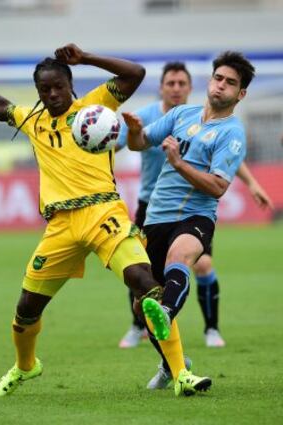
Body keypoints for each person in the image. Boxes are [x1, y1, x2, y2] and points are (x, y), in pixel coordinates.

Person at [0, 44, 210, 398]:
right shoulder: (33, 120)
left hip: (103, 214)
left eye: (58, 87)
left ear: (70, 84)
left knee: (145, 284)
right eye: (44, 90)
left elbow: (135, 74)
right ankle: (26, 366)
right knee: (26, 309)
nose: (51, 94)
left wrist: (88, 58)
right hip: (61, 226)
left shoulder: (94, 108)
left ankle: (181, 372)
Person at [123, 51, 259, 388]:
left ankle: (170, 314)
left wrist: (180, 163)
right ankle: (173, 364)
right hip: (155, 218)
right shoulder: (182, 114)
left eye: (230, 83)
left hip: (195, 215)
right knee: (142, 307)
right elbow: (140, 144)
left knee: (179, 259)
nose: (221, 85)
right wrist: (132, 131)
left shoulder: (232, 133)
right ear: (210, 80)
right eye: (218, 78)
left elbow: (217, 187)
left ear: (240, 95)